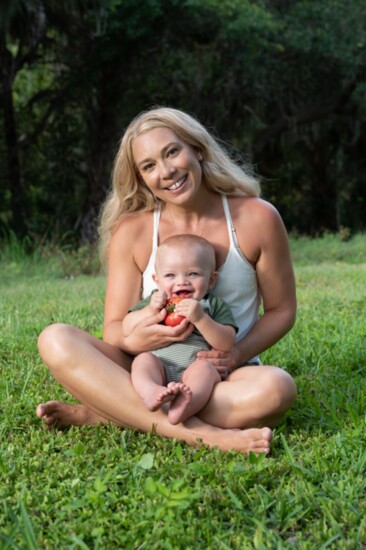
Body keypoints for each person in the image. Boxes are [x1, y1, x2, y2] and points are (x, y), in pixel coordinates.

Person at [36, 106, 297, 455]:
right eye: (149, 166)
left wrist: (235, 354)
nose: (167, 171)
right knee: (55, 339)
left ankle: (111, 411)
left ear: (197, 149)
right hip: (151, 368)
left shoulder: (256, 217)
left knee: (277, 389)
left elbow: (281, 310)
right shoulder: (133, 231)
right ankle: (203, 435)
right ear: (141, 177)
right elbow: (113, 330)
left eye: (172, 152)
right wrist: (139, 333)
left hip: (220, 375)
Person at [126, 234, 238, 425]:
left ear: (211, 280)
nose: (182, 282)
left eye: (192, 274)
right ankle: (150, 390)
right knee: (143, 361)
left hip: (195, 368)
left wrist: (201, 318)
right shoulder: (156, 301)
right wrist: (149, 309)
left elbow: (226, 342)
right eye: (170, 275)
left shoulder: (211, 304)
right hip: (159, 364)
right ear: (157, 280)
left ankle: (187, 404)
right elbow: (126, 326)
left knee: (206, 370)